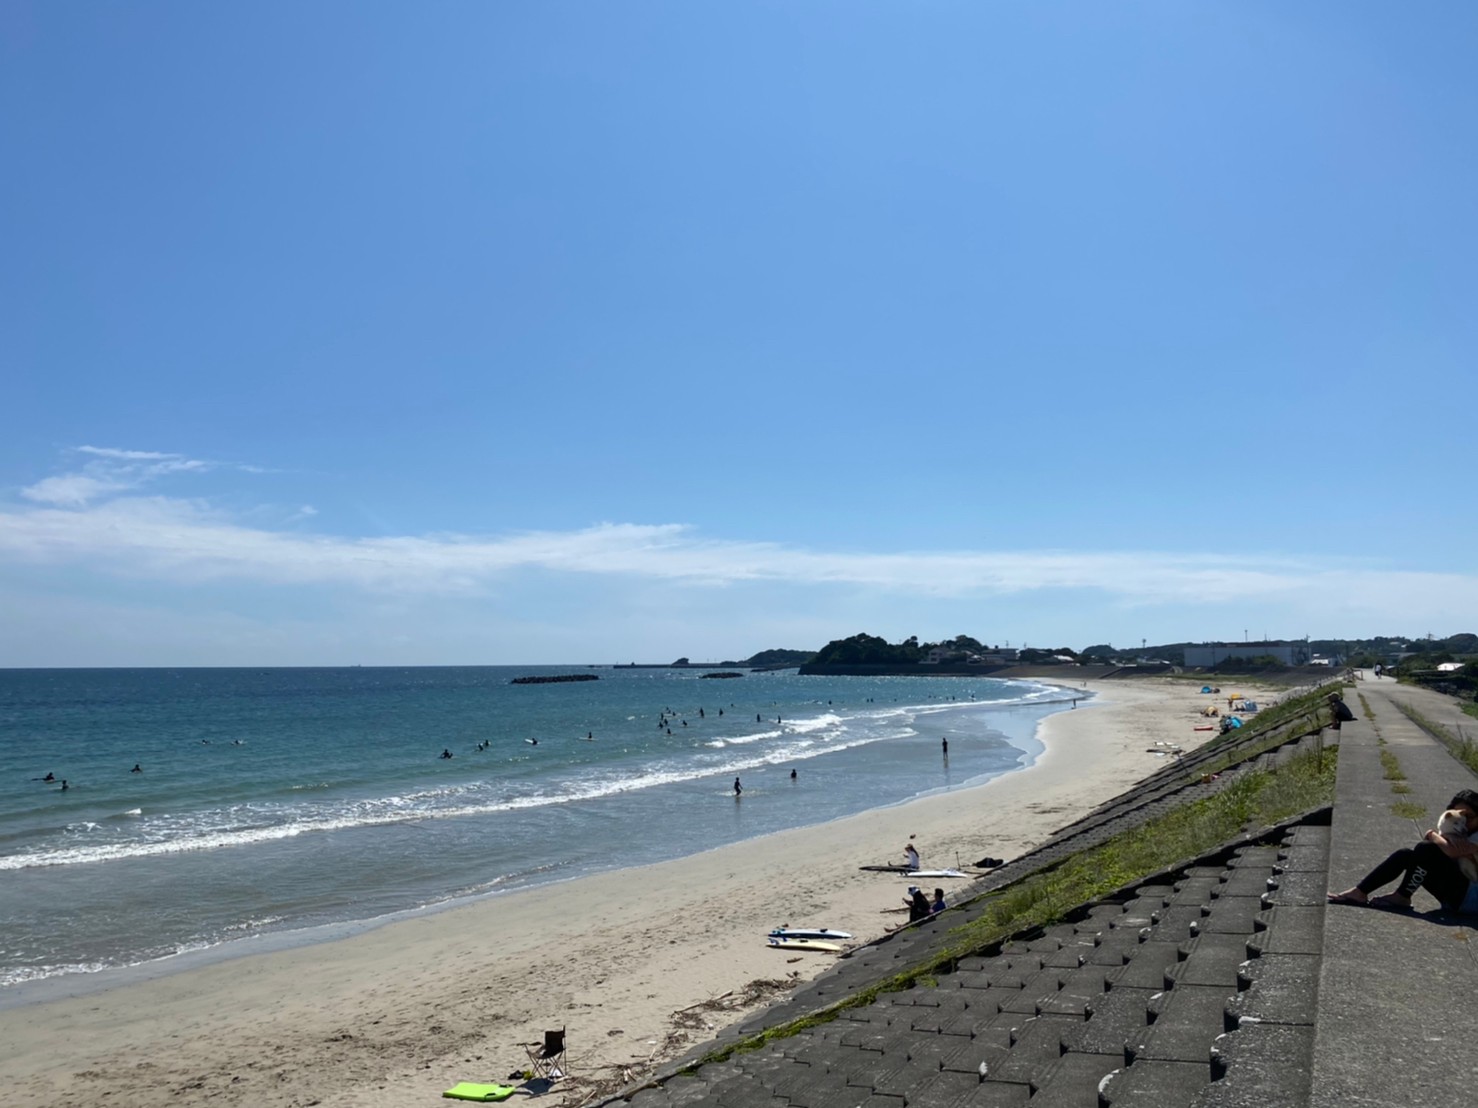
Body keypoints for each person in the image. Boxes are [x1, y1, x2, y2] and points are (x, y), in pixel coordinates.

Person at [1328, 789, 1478, 912]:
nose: (1464, 822)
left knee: (1426, 849)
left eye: (1469, 817)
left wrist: (1431, 834)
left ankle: (1402, 897)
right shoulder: (1460, 833)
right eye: (1460, 817)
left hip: (1469, 900)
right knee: (1406, 855)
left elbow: (1451, 851)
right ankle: (1359, 892)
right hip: (1456, 895)